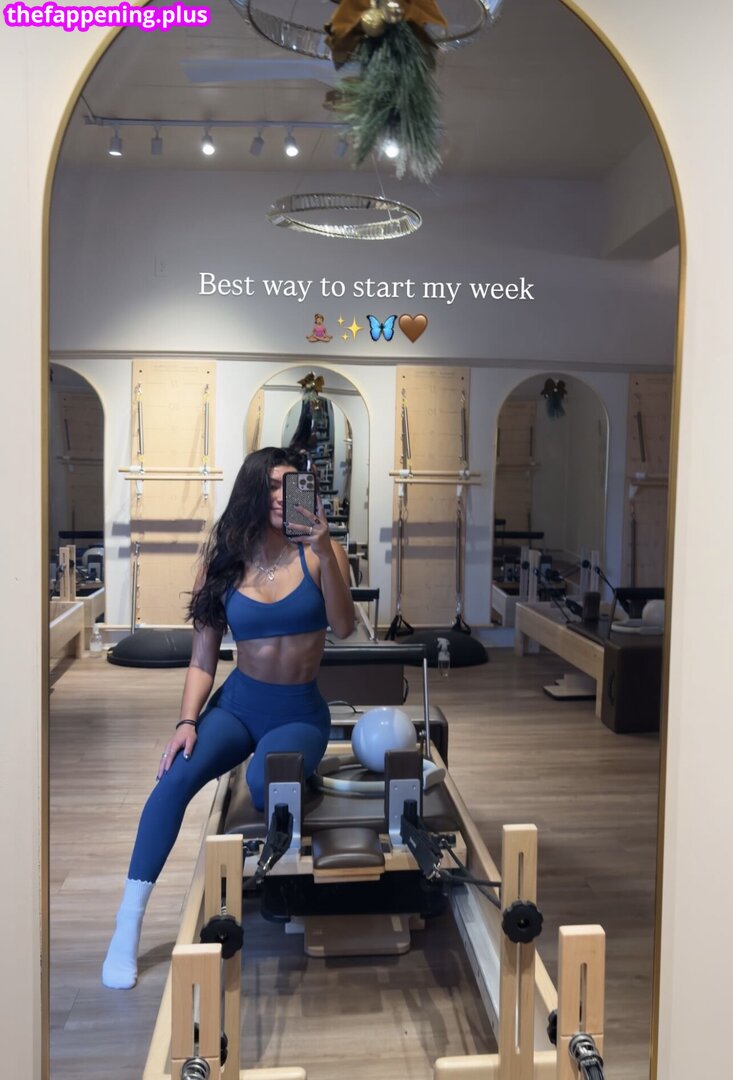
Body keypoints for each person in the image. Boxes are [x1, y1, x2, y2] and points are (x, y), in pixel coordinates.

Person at [102, 447, 354, 989]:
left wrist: (325, 549)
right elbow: (202, 658)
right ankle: (128, 923)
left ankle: (292, 784)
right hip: (238, 704)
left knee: (264, 784)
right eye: (273, 486)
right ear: (252, 493)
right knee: (174, 778)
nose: (283, 497)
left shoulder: (320, 554)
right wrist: (186, 722)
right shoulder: (223, 562)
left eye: (292, 485)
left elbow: (345, 627)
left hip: (299, 712)